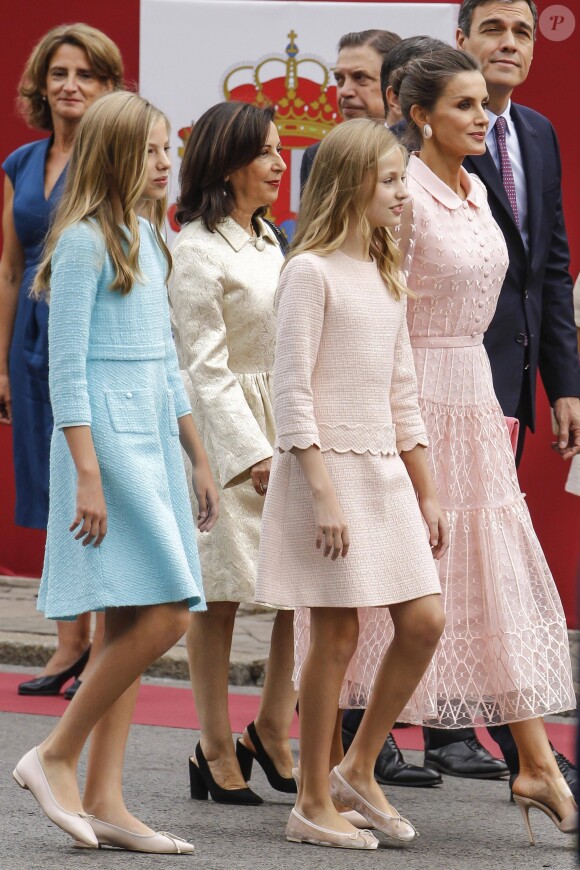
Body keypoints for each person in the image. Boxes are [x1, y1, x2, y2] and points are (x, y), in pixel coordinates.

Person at [12, 90, 219, 854]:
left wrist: (196, 454)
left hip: (153, 443)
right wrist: (88, 474)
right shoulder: (81, 243)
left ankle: (106, 800)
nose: (169, 163)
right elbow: (65, 372)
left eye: (172, 150)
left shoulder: (146, 235)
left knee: (132, 620)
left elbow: (167, 364)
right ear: (119, 155)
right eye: (156, 150)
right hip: (101, 447)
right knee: (168, 612)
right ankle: (55, 754)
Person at [389, 46, 576, 844]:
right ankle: (339, 767)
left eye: (482, 106)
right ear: (421, 114)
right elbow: (378, 313)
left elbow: (545, 271)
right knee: (379, 597)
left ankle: (532, 760)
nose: (481, 117)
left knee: (492, 577)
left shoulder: (477, 189)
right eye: (463, 105)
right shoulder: (401, 193)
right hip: (414, 400)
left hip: (475, 396)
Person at [256, 118, 449, 850]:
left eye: (404, 179)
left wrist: (427, 488)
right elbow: (291, 390)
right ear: (349, 182)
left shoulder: (383, 264)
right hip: (324, 473)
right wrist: (323, 492)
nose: (404, 193)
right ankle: (310, 801)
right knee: (333, 635)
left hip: (385, 473)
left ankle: (358, 765)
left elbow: (403, 391)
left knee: (424, 618)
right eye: (392, 179)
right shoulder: (308, 270)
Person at [169, 101, 297, 805]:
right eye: (266, 153)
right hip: (224, 439)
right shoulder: (195, 249)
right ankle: (214, 746)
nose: (281, 163)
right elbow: (203, 369)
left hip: (283, 425)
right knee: (218, 599)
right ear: (226, 162)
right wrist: (249, 452)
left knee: (296, 595)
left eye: (280, 151)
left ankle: (273, 731)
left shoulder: (269, 240)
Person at [0, 24, 123, 698]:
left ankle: (104, 644)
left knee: (95, 484)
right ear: (41, 85)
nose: (71, 85)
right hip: (29, 339)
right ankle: (67, 644)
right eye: (59, 73)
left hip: (92, 334)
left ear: (108, 86)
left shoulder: (116, 157)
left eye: (88, 74)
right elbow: (10, 268)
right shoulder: (21, 162)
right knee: (53, 492)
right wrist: (0, 367)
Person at [299, 29, 400, 189]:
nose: (345, 91)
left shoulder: (423, 152)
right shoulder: (318, 156)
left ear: (394, 87)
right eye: (339, 79)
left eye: (360, 77)